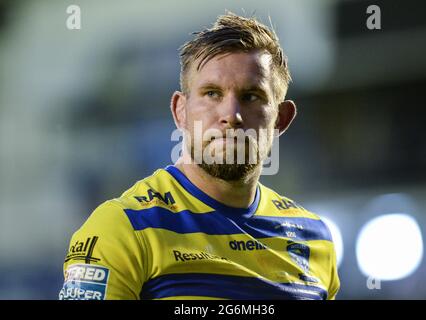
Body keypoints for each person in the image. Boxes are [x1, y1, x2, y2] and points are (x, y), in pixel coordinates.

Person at [59, 12, 340, 300]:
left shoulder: (314, 237)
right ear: (180, 111)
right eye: (212, 93)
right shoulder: (124, 227)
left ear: (281, 118)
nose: (231, 116)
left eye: (251, 96)